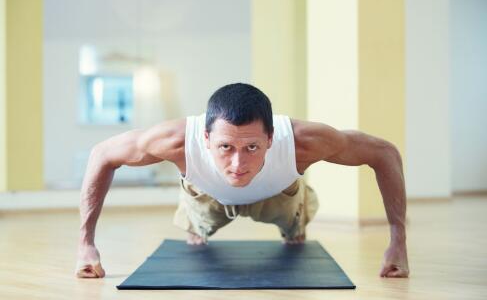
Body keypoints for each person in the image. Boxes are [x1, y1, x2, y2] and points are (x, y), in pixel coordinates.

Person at [76, 83, 409, 279]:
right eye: (225, 147)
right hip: (207, 197)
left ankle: (294, 224)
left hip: (278, 198)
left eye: (252, 146)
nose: (238, 164)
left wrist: (398, 240)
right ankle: (196, 223)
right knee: (197, 219)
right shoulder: (176, 140)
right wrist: (85, 243)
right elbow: (102, 155)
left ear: (271, 137)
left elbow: (385, 153)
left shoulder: (304, 141)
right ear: (206, 138)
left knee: (295, 215)